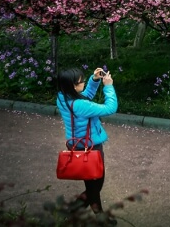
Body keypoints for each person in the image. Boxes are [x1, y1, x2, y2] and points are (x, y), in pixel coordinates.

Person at [56, 66, 118, 224]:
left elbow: (85, 97)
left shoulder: (62, 97)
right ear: (73, 86)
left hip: (76, 144)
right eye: (81, 81)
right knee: (96, 185)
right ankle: (76, 212)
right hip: (90, 147)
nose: (83, 82)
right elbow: (110, 108)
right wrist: (108, 86)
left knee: (92, 185)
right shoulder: (80, 106)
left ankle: (95, 215)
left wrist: (94, 80)